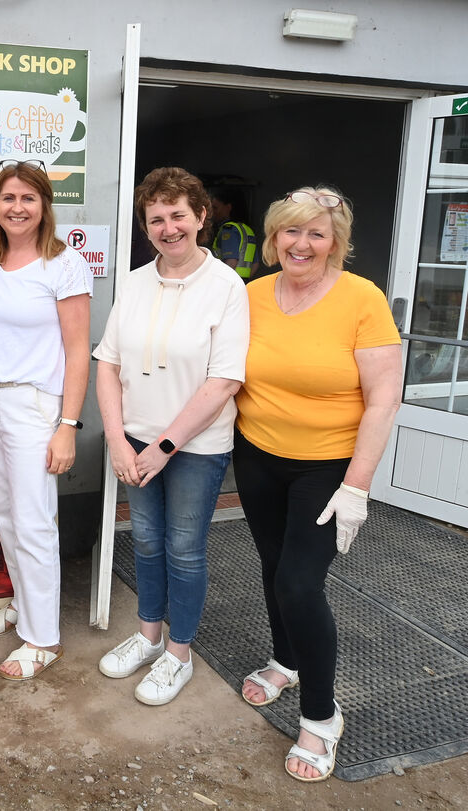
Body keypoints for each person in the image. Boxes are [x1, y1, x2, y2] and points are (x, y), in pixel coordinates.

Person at [234, 187, 401, 781]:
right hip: (257, 455)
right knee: (272, 566)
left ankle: (322, 716)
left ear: (335, 243)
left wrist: (356, 486)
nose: (301, 244)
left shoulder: (362, 299)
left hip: (327, 466)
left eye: (316, 234)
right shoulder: (252, 295)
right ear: (274, 237)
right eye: (291, 231)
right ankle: (285, 661)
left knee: (300, 584)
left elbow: (384, 398)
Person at [93, 167, 249, 705]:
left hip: (196, 448)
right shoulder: (136, 282)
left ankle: (178, 655)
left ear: (201, 216)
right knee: (145, 540)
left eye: (178, 215)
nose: (168, 228)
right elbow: (108, 364)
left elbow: (224, 380)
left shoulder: (226, 287)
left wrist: (165, 447)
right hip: (135, 440)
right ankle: (148, 637)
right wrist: (118, 439)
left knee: (183, 549)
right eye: (155, 219)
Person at [0, 158, 92, 680]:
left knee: (35, 521)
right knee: (3, 514)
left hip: (34, 405)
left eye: (28, 198)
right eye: (8, 198)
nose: (17, 207)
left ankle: (44, 639)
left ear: (44, 206)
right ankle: (23, 603)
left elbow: (79, 351)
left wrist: (68, 426)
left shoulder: (64, 265)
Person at [210, 187, 259, 281]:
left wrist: (220, 283)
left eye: (215, 208)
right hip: (244, 282)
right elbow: (255, 264)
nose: (212, 212)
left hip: (227, 282)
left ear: (228, 207)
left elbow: (231, 262)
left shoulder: (228, 230)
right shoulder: (247, 230)